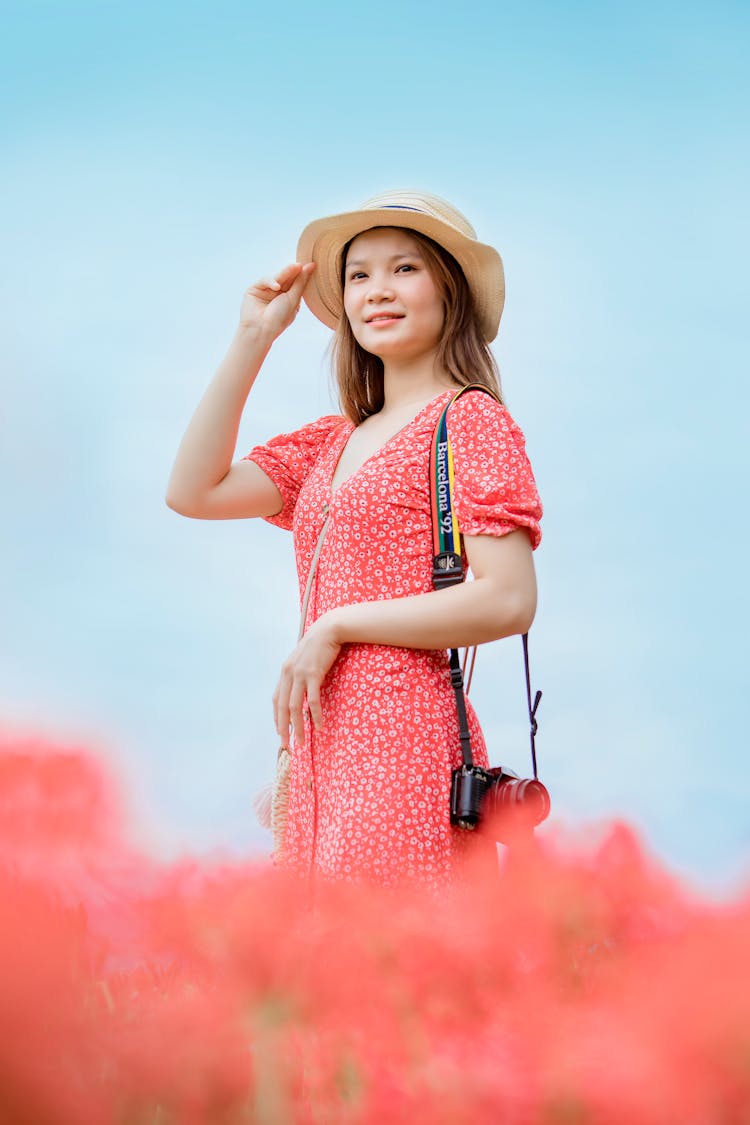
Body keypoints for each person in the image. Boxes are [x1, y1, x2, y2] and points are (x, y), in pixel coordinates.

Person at [166, 189, 543, 888]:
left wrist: (337, 625)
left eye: (405, 269)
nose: (377, 291)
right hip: (319, 747)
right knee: (326, 973)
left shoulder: (468, 420)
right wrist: (253, 337)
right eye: (359, 275)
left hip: (403, 735)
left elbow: (510, 598)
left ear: (449, 292)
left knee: (385, 962)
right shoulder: (332, 440)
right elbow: (193, 490)